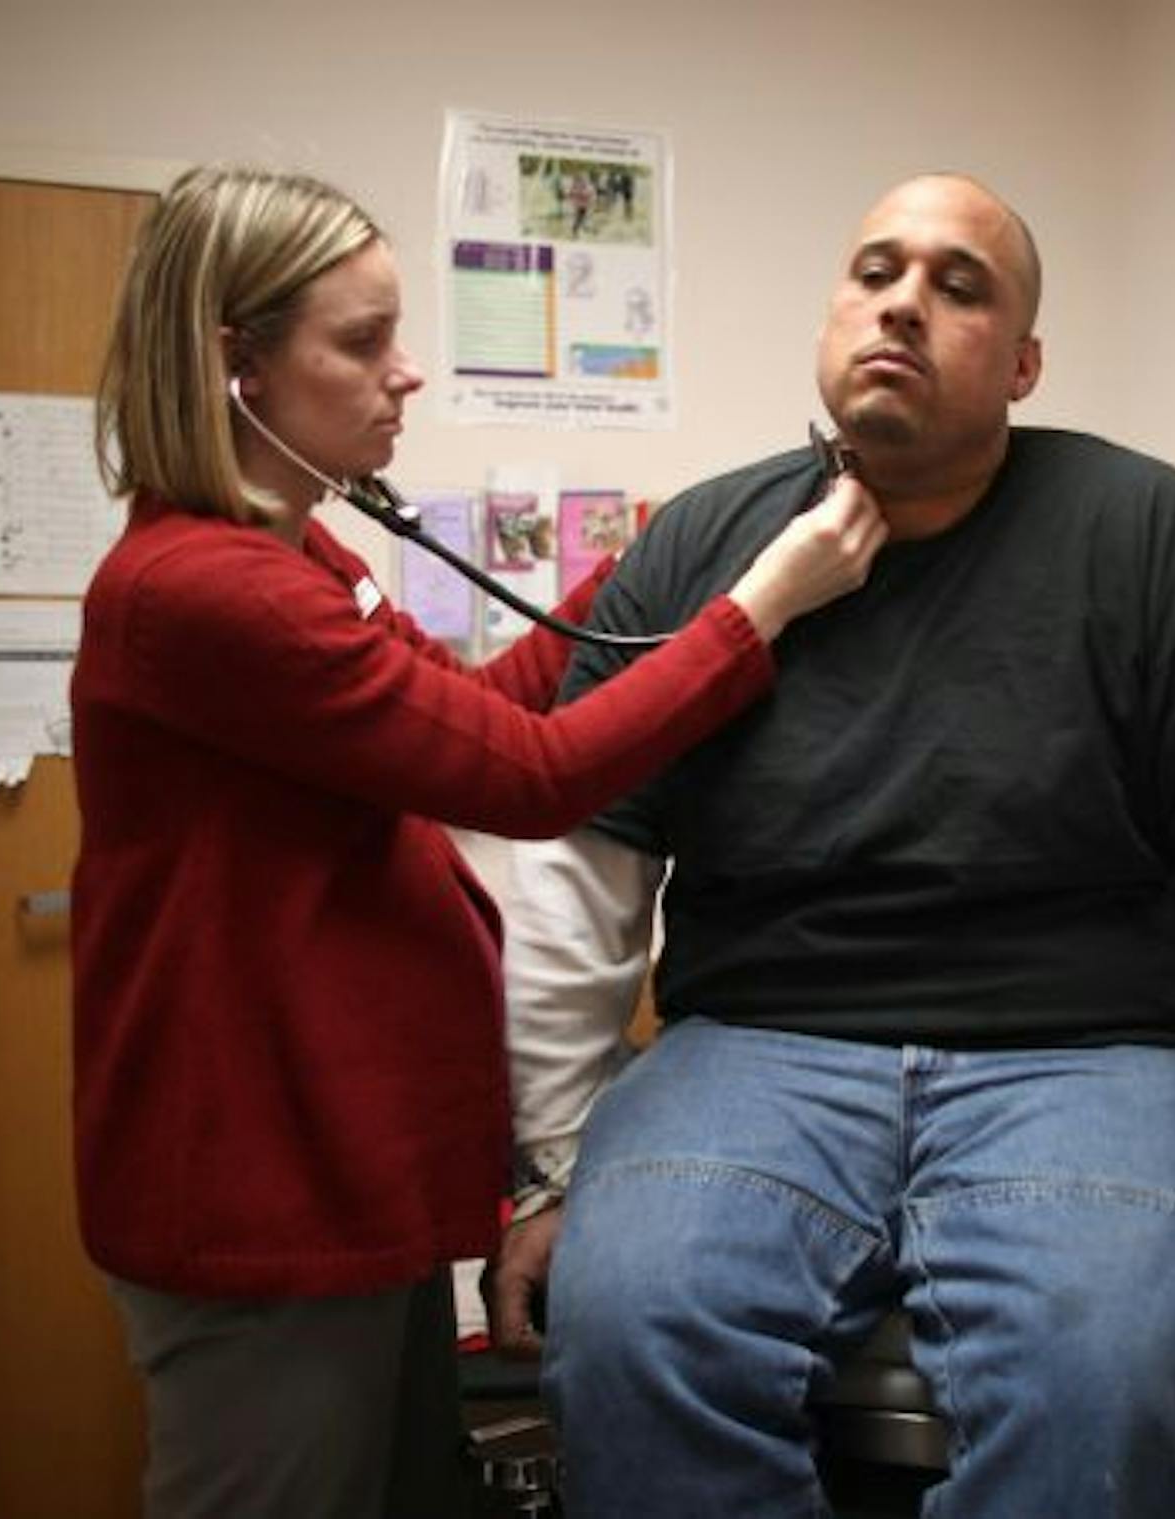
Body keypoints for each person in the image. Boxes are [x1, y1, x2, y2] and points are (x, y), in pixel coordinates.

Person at [488, 173, 1175, 1515]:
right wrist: (555, 1161)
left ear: (1025, 362)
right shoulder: (703, 540)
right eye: (876, 272)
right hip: (754, 1050)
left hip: (1091, 1058)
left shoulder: (1150, 537)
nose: (905, 302)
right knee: (631, 1332)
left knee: (1112, 1367)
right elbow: (583, 855)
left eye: (960, 285)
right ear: (830, 317)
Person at [70, 163, 884, 1519]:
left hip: (339, 1167)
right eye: (363, 340)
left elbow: (483, 709)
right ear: (237, 365)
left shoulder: (295, 559)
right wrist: (759, 610)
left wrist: (662, 564)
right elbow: (533, 774)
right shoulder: (202, 591)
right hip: (258, 1183)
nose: (408, 374)